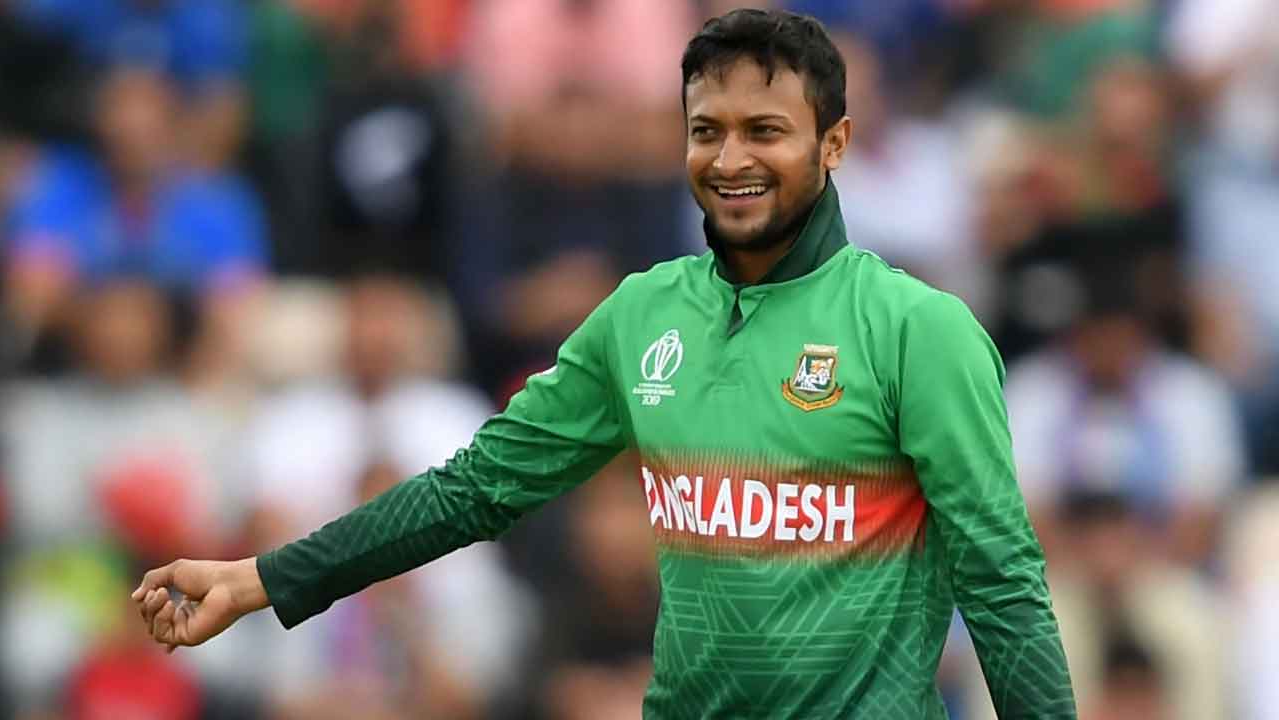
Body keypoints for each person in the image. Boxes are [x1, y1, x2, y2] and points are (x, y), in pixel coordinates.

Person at [133, 9, 1077, 718]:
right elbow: (476, 488)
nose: (730, 160)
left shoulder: (920, 330)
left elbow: (1003, 585)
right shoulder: (642, 317)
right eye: (706, 130)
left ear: (833, 144)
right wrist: (263, 579)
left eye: (765, 130)